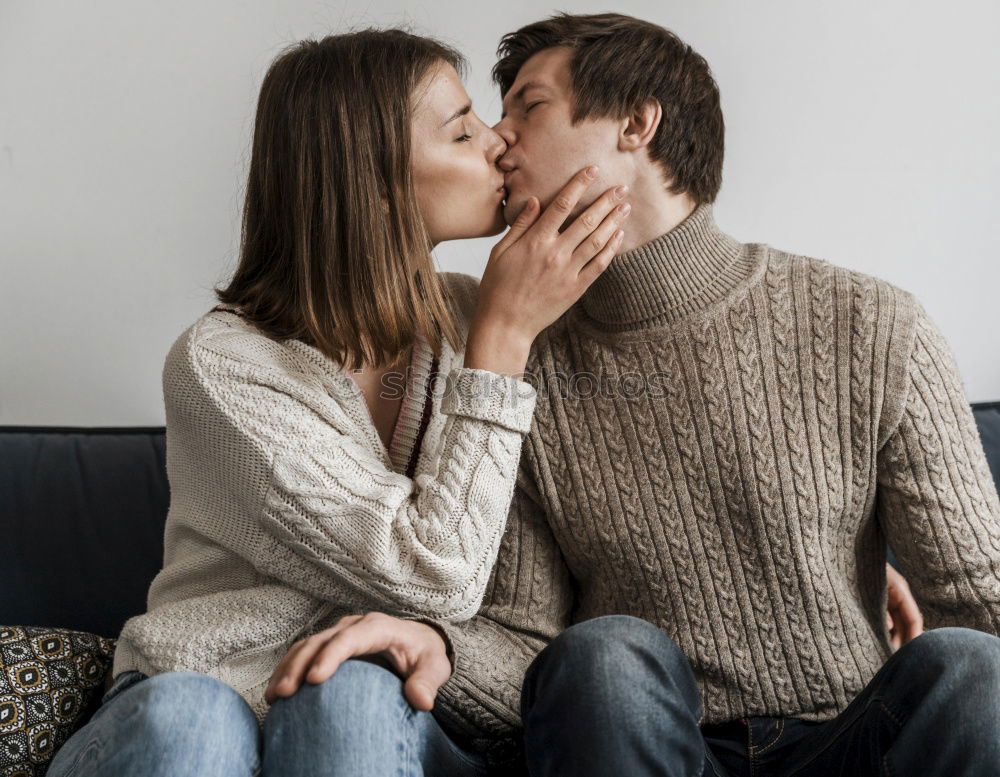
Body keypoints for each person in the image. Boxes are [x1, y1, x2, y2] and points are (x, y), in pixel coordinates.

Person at [272, 12, 1000, 777]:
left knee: (972, 667)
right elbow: (527, 633)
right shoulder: (514, 362)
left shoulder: (871, 324)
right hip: (645, 741)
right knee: (603, 653)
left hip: (854, 737)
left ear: (636, 122)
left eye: (529, 104)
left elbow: (978, 599)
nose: (498, 136)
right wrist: (434, 641)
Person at [45, 28, 632, 777]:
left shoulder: (474, 322)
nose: (499, 143)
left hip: (381, 709)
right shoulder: (224, 363)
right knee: (196, 719)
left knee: (351, 696)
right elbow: (436, 574)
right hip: (199, 692)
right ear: (377, 182)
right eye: (463, 130)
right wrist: (504, 341)